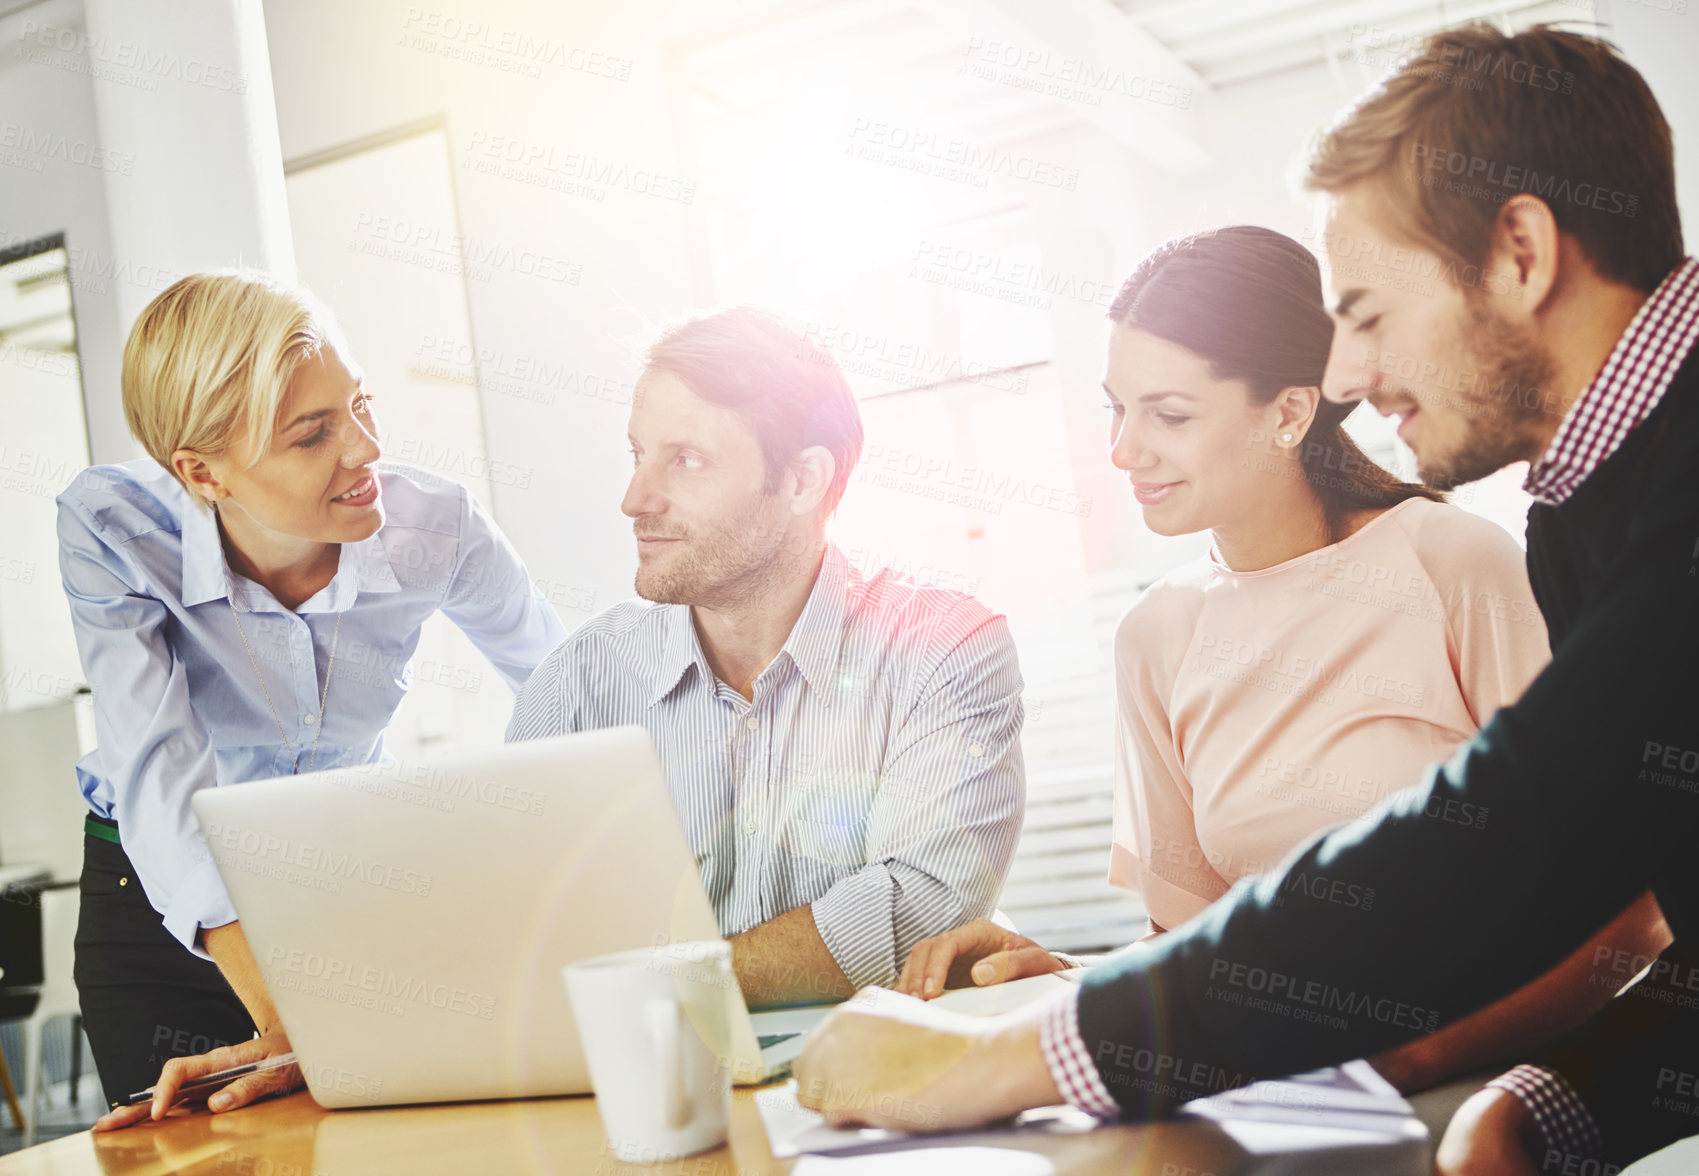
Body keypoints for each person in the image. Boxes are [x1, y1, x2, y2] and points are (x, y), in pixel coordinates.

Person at [794, 24, 1699, 1175]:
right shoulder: (1590, 510)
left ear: (1520, 249)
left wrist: (1013, 1054)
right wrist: (1560, 1109)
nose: (1350, 378)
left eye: (1366, 314)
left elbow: (1526, 839)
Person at [893, 224, 1667, 1103]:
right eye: (1117, 407)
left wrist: (1417, 1064)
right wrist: (1065, 979)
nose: (1123, 450)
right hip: (1275, 1098)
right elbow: (1197, 943)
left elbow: (1627, 914)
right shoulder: (1155, 635)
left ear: (1291, 413)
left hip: (1470, 1095)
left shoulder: (1455, 563)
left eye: (1169, 414)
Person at [63, 270, 565, 1129]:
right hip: (154, 900)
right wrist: (285, 1020)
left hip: (338, 879)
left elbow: (567, 686)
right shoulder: (114, 530)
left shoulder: (433, 525)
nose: (366, 448)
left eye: (360, 404)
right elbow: (161, 773)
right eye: (313, 435)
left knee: (377, 1141)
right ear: (202, 472)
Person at [506, 306, 1025, 1006]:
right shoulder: (577, 683)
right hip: (636, 1092)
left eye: (684, 460)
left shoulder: (944, 650)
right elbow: (520, 936)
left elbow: (924, 901)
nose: (634, 499)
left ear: (804, 481)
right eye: (637, 455)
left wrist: (652, 988)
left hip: (868, 1087)